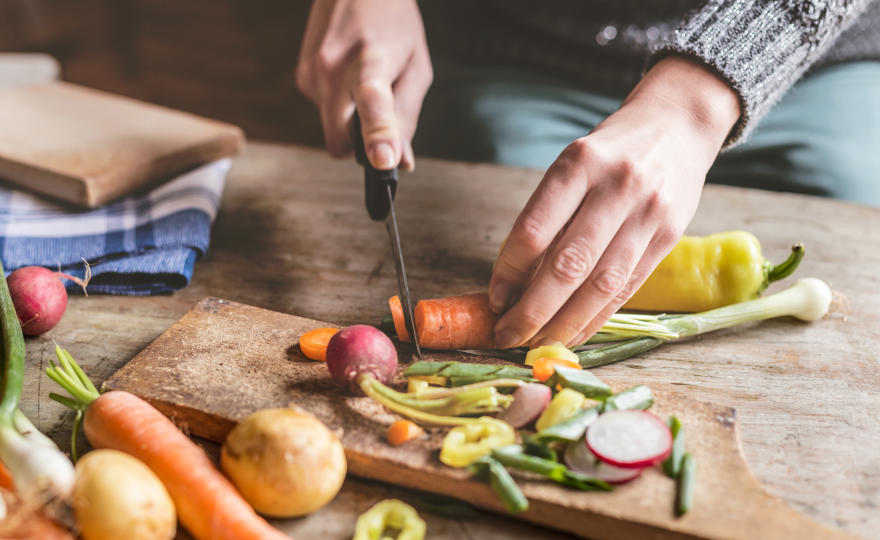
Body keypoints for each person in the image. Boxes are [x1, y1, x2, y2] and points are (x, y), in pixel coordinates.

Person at [295, 0, 880, 349]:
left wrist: (695, 102)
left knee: (849, 200)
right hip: (521, 50)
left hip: (803, 58)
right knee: (522, 239)